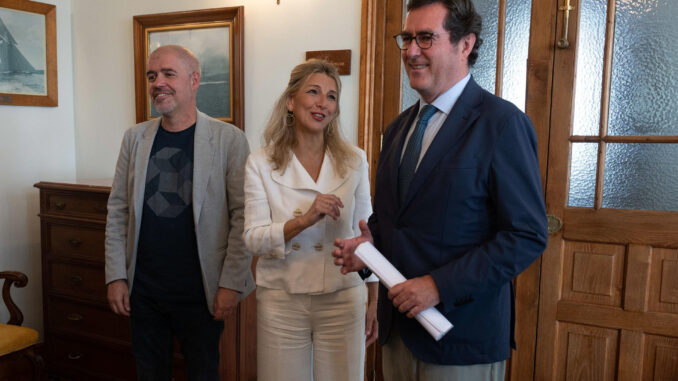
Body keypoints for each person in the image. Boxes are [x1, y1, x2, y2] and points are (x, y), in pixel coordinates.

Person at [332, 1, 548, 380]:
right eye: (407, 38)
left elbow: (526, 235)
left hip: (462, 337)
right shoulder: (397, 129)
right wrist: (369, 250)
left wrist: (438, 286)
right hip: (398, 334)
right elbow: (396, 223)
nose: (411, 51)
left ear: (465, 45)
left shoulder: (502, 123)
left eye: (426, 38)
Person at [105, 45, 254, 381]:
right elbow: (117, 210)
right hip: (143, 292)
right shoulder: (134, 139)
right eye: (152, 75)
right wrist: (116, 275)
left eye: (169, 74)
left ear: (195, 80)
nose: (159, 82)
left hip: (202, 291)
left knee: (203, 374)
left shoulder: (229, 140)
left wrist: (231, 284)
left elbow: (243, 216)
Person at [243, 59, 379, 381]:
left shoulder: (355, 159)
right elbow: (251, 237)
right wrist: (304, 220)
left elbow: (368, 234)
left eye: (331, 96)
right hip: (282, 301)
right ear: (291, 100)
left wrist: (374, 300)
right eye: (314, 92)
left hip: (344, 297)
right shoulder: (260, 162)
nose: (323, 103)